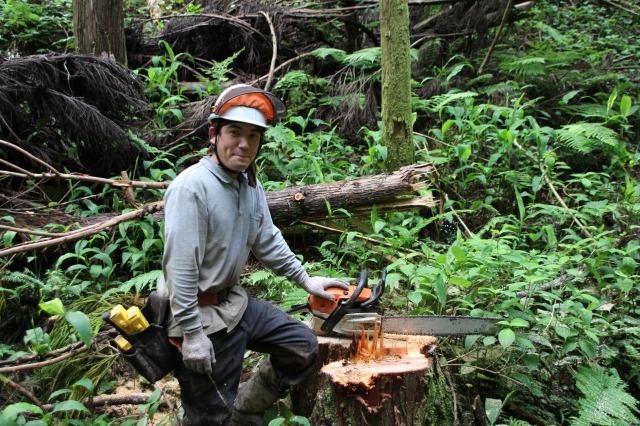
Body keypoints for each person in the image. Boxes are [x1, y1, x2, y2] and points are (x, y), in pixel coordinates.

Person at [157, 84, 349, 425]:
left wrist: (305, 280)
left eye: (253, 136)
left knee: (302, 347)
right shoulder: (192, 187)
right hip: (198, 315)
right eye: (234, 132)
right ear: (214, 134)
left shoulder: (248, 184)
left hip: (234, 303)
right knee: (208, 416)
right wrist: (192, 334)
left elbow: (267, 238)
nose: (244, 144)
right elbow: (180, 268)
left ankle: (244, 412)